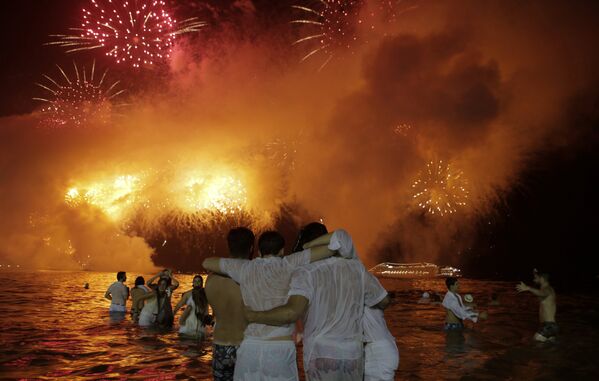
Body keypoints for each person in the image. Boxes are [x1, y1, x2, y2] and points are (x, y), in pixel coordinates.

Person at [245, 223, 389, 381]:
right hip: (352, 355)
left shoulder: (305, 272)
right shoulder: (356, 268)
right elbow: (383, 300)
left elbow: (292, 312)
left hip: (321, 354)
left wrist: (253, 316)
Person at [202, 228, 343, 381]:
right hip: (279, 349)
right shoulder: (290, 263)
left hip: (246, 349)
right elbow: (332, 247)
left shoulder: (242, 269)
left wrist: (233, 265)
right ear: (282, 250)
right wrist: (309, 245)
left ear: (259, 251)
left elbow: (207, 262)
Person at [204, 227, 253, 381]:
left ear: (229, 246)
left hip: (220, 345)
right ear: (251, 248)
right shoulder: (253, 278)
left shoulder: (211, 280)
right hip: (246, 345)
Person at [516, 268, 557, 342]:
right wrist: (535, 272)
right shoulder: (548, 289)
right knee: (548, 350)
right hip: (551, 326)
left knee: (534, 346)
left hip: (547, 326)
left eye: (535, 278)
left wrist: (528, 288)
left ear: (541, 278)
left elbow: (543, 293)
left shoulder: (547, 289)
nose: (533, 280)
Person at [174, 275, 209, 339]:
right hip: (188, 328)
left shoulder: (206, 295)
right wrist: (172, 315)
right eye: (195, 281)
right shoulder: (188, 294)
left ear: (202, 283)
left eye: (199, 281)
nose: (197, 283)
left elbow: (208, 308)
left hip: (200, 327)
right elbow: (179, 305)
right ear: (193, 283)